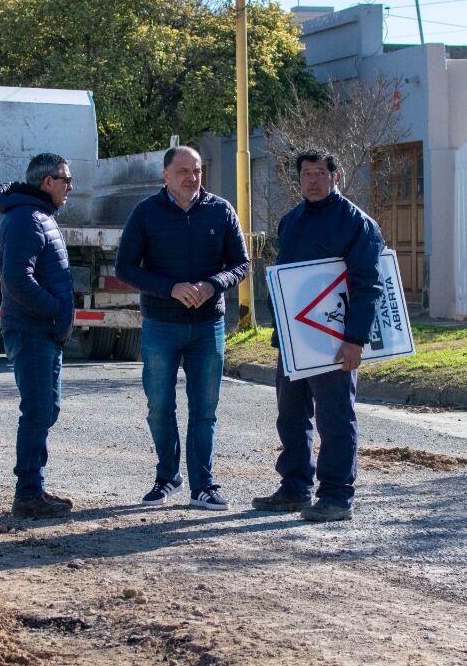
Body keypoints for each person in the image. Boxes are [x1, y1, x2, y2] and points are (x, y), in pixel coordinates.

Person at [253, 150, 384, 523]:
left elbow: (367, 285)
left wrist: (355, 339)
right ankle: (295, 488)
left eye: (320, 173)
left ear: (336, 177)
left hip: (335, 339)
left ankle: (337, 495)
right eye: (306, 174)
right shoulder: (290, 221)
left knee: (335, 417)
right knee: (291, 415)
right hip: (295, 341)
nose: (313, 180)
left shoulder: (357, 223)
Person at [116, 146, 249, 510]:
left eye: (197, 171)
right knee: (159, 406)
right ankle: (167, 476)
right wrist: (170, 288)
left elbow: (241, 264)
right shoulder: (146, 213)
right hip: (161, 324)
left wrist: (212, 284)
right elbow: (125, 267)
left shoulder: (221, 211)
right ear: (166, 175)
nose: (192, 177)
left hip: (208, 327)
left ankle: (202, 485)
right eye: (183, 171)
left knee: (205, 410)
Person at [0, 153, 78, 520]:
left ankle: (33, 488)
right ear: (46, 182)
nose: (70, 187)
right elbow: (17, 280)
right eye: (65, 180)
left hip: (42, 331)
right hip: (32, 330)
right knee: (38, 410)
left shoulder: (38, 216)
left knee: (45, 409)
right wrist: (55, 309)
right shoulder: (28, 218)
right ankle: (27, 494)